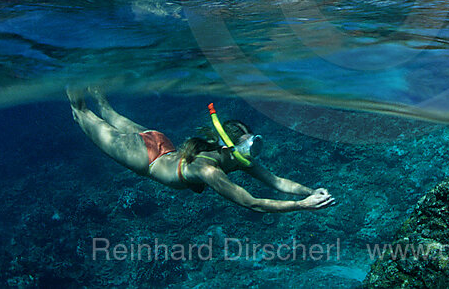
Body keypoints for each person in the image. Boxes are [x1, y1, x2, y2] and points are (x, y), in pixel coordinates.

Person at [68, 89, 335, 213]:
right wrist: (302, 206)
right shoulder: (208, 169)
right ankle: (70, 67)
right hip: (145, 157)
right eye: (249, 145)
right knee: (82, 113)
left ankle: (91, 80)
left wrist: (310, 192)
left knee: (106, 110)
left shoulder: (237, 160)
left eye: (255, 143)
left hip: (159, 143)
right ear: (227, 146)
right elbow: (251, 202)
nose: (253, 151)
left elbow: (277, 181)